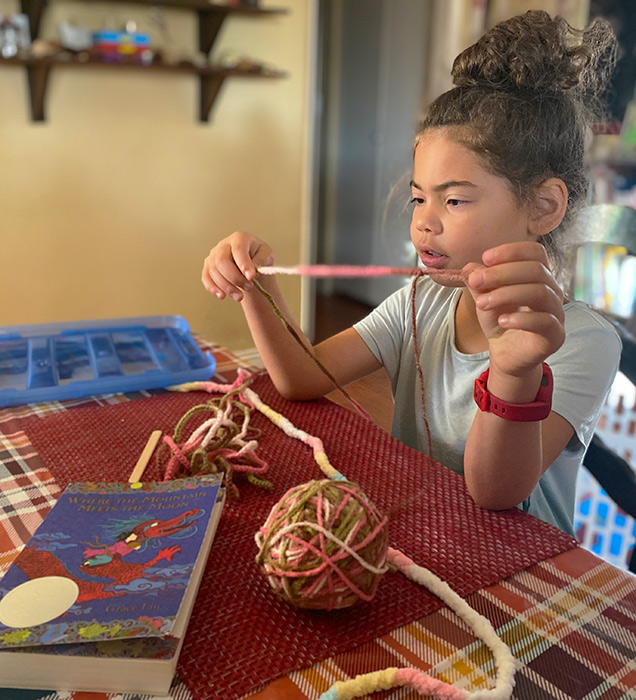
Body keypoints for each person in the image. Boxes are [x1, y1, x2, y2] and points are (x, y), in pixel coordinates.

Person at [201, 10, 621, 536]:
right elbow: (303, 378)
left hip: (524, 579)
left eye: (456, 199)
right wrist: (255, 286)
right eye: (420, 196)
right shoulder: (422, 303)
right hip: (418, 534)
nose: (423, 219)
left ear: (543, 205)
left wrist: (514, 374)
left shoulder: (581, 340)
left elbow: (494, 494)